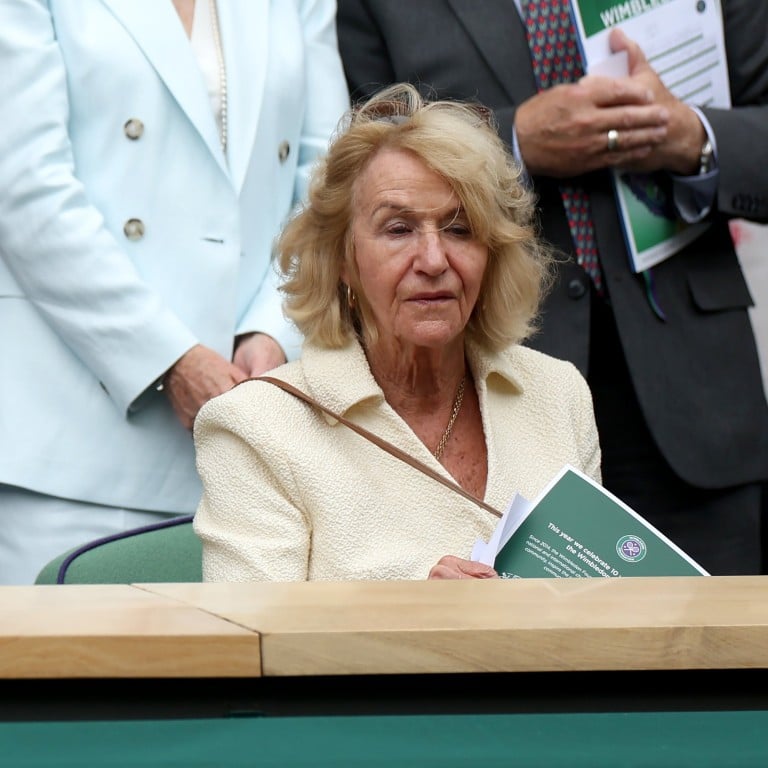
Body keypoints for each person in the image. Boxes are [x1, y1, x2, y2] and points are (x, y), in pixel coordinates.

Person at [336, 0, 768, 575]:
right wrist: (513, 143)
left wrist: (696, 137)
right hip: (501, 387)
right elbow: (361, 162)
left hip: (695, 395)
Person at [0, 0, 350, 584]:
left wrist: (274, 330)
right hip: (77, 447)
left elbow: (329, 179)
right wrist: (169, 358)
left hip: (255, 435)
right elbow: (25, 186)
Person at [193, 82, 601, 582]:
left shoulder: (557, 396)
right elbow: (252, 644)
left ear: (492, 253)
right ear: (342, 259)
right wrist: (410, 613)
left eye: (459, 228)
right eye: (398, 229)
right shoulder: (258, 427)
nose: (433, 261)